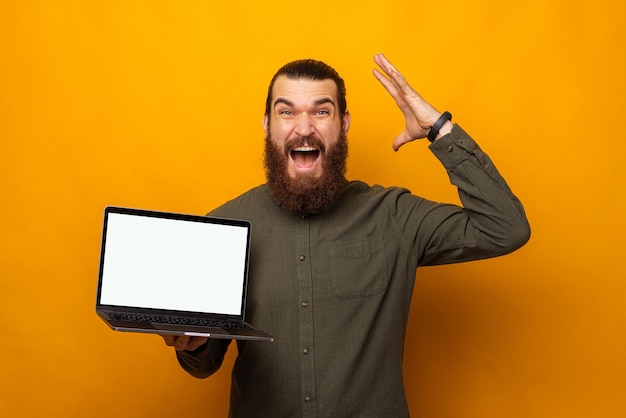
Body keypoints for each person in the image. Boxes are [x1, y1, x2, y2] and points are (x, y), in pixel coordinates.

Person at [162, 53, 530, 417]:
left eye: (321, 111)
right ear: (266, 124)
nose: (304, 128)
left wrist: (439, 129)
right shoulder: (224, 228)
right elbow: (203, 363)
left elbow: (505, 227)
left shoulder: (393, 215)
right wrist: (191, 345)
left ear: (344, 123)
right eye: (286, 111)